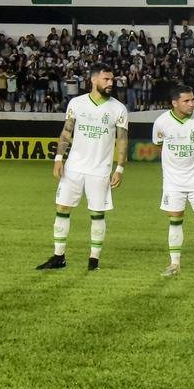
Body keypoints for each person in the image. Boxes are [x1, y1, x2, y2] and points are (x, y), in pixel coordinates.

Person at [37, 63, 128, 271]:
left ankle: (93, 260)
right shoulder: (76, 103)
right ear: (93, 80)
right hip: (74, 167)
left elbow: (122, 140)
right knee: (62, 208)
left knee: (97, 213)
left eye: (112, 80)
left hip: (100, 170)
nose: (110, 83)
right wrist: (58, 158)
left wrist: (120, 168)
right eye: (106, 79)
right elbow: (66, 132)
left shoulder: (118, 108)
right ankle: (58, 257)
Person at [152, 84, 194, 278]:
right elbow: (158, 147)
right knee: (175, 220)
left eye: (192, 100)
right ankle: (174, 264)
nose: (191, 104)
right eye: (186, 101)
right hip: (173, 181)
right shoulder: (162, 122)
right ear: (175, 103)